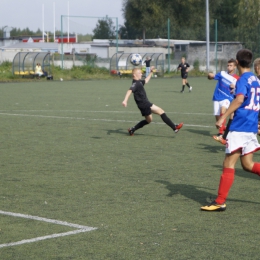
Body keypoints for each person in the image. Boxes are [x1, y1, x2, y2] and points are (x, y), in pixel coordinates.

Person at [201, 49, 260, 212]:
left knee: (228, 163)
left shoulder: (242, 80)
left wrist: (223, 117)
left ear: (237, 62)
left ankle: (219, 201)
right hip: (250, 127)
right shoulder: (256, 80)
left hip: (240, 126)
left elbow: (240, 99)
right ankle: (220, 201)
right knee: (248, 165)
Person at [122, 66, 183, 136]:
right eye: (139, 73)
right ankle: (175, 128)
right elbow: (129, 91)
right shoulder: (136, 84)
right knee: (161, 111)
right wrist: (125, 100)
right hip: (144, 104)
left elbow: (146, 80)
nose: (141, 74)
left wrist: (151, 72)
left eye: (141, 73)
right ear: (134, 75)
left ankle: (132, 129)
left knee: (149, 120)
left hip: (142, 105)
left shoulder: (139, 82)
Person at [208, 59, 239, 142]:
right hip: (217, 97)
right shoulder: (222, 73)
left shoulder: (237, 79)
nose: (229, 67)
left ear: (235, 67)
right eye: (228, 65)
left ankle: (221, 134)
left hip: (227, 98)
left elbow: (239, 89)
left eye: (231, 65)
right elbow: (212, 77)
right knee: (218, 120)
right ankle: (225, 128)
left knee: (223, 110)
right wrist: (209, 76)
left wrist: (235, 87)